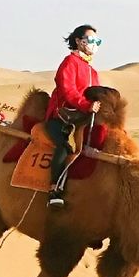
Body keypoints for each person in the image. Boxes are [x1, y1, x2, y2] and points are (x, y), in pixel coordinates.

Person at [45, 24, 104, 209]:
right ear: (78, 41)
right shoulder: (69, 62)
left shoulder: (92, 71)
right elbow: (67, 90)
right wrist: (87, 105)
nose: (94, 44)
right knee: (65, 147)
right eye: (90, 40)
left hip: (84, 119)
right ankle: (54, 189)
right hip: (62, 117)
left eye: (97, 41)